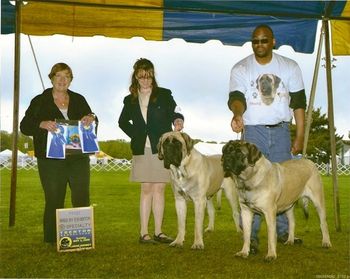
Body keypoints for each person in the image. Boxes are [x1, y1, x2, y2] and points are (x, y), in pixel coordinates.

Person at [228, 24, 306, 253]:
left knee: (281, 184)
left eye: (264, 40)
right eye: (255, 41)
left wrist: (299, 135)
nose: (259, 45)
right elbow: (236, 97)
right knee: (251, 183)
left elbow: (299, 103)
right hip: (253, 131)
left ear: (273, 41)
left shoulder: (290, 66)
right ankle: (250, 238)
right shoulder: (240, 68)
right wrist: (237, 114)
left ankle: (283, 233)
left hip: (282, 130)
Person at [20, 62, 97, 244]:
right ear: (52, 78)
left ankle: (81, 237)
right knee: (54, 196)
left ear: (71, 80)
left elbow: (91, 116)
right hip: (50, 159)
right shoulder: (39, 101)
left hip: (78, 157)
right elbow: (24, 126)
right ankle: (52, 238)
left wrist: (90, 118)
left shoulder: (79, 99)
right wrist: (41, 124)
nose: (62, 80)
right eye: (59, 76)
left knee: (81, 194)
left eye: (67, 76)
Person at [118, 58, 183, 244]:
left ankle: (159, 232)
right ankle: (144, 233)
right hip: (142, 148)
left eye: (148, 76)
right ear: (136, 78)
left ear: (153, 76)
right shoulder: (129, 100)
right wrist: (136, 134)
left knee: (160, 188)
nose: (145, 81)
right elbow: (122, 122)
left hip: (161, 149)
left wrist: (178, 120)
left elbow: (176, 112)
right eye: (141, 77)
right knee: (146, 188)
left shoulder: (164, 94)